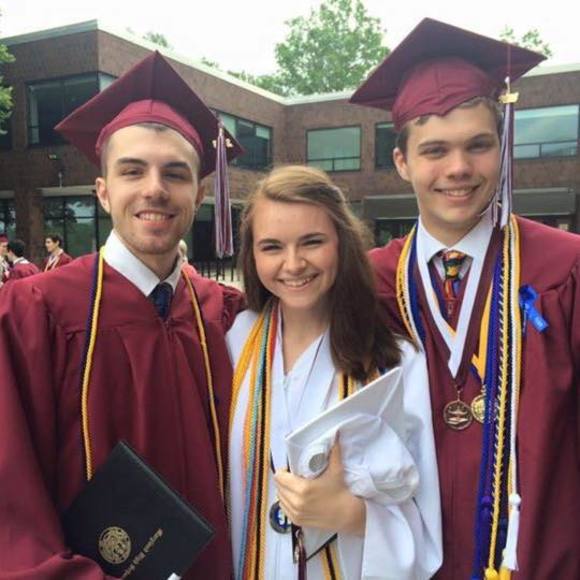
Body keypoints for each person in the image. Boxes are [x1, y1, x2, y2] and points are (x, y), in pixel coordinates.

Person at [0, 52, 245, 579]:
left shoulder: (225, 315)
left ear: (200, 193)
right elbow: (10, 499)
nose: (154, 188)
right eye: (132, 171)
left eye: (175, 173)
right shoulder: (33, 313)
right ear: (104, 191)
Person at [350, 18, 580, 580]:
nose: (458, 168)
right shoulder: (368, 282)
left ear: (502, 148)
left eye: (478, 145)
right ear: (402, 162)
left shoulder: (565, 268)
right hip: (407, 563)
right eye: (435, 150)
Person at [227, 165, 442, 579]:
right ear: (252, 256)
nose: (293, 263)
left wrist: (352, 515)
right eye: (272, 247)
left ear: (342, 243)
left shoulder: (394, 363)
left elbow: (425, 514)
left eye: (312, 242)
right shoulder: (234, 342)